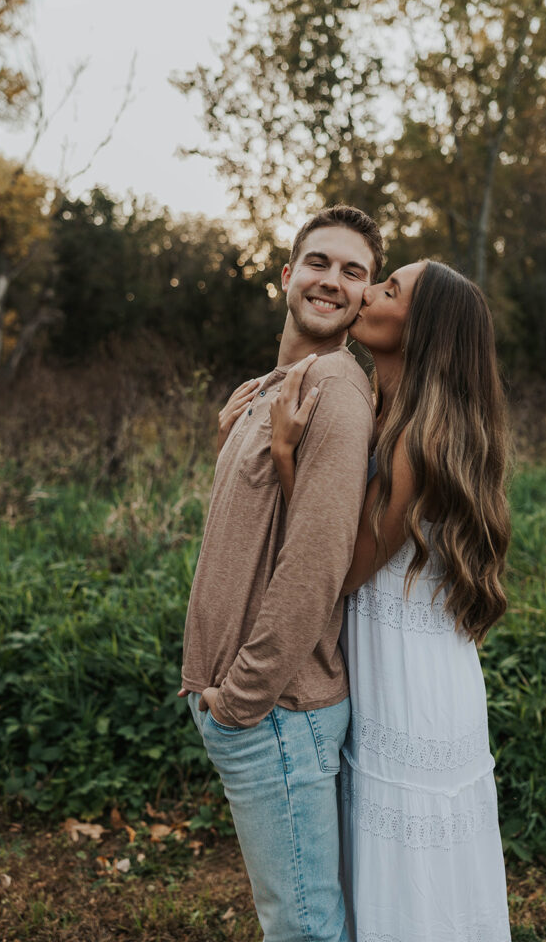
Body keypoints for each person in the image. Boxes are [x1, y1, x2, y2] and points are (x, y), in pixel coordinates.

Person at [270, 260, 512, 942]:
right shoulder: (404, 415)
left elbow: (340, 571)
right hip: (431, 664)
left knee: (409, 867)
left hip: (409, 679)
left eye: (388, 288)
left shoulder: (412, 439)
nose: (367, 291)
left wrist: (286, 457)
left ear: (422, 329)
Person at [178, 204, 384, 942]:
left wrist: (241, 699)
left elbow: (318, 561)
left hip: (278, 709)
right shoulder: (273, 385)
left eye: (352, 271)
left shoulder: (334, 387)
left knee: (302, 929)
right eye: (319, 262)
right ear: (286, 275)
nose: (332, 281)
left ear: (367, 295)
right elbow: (253, 527)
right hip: (263, 710)